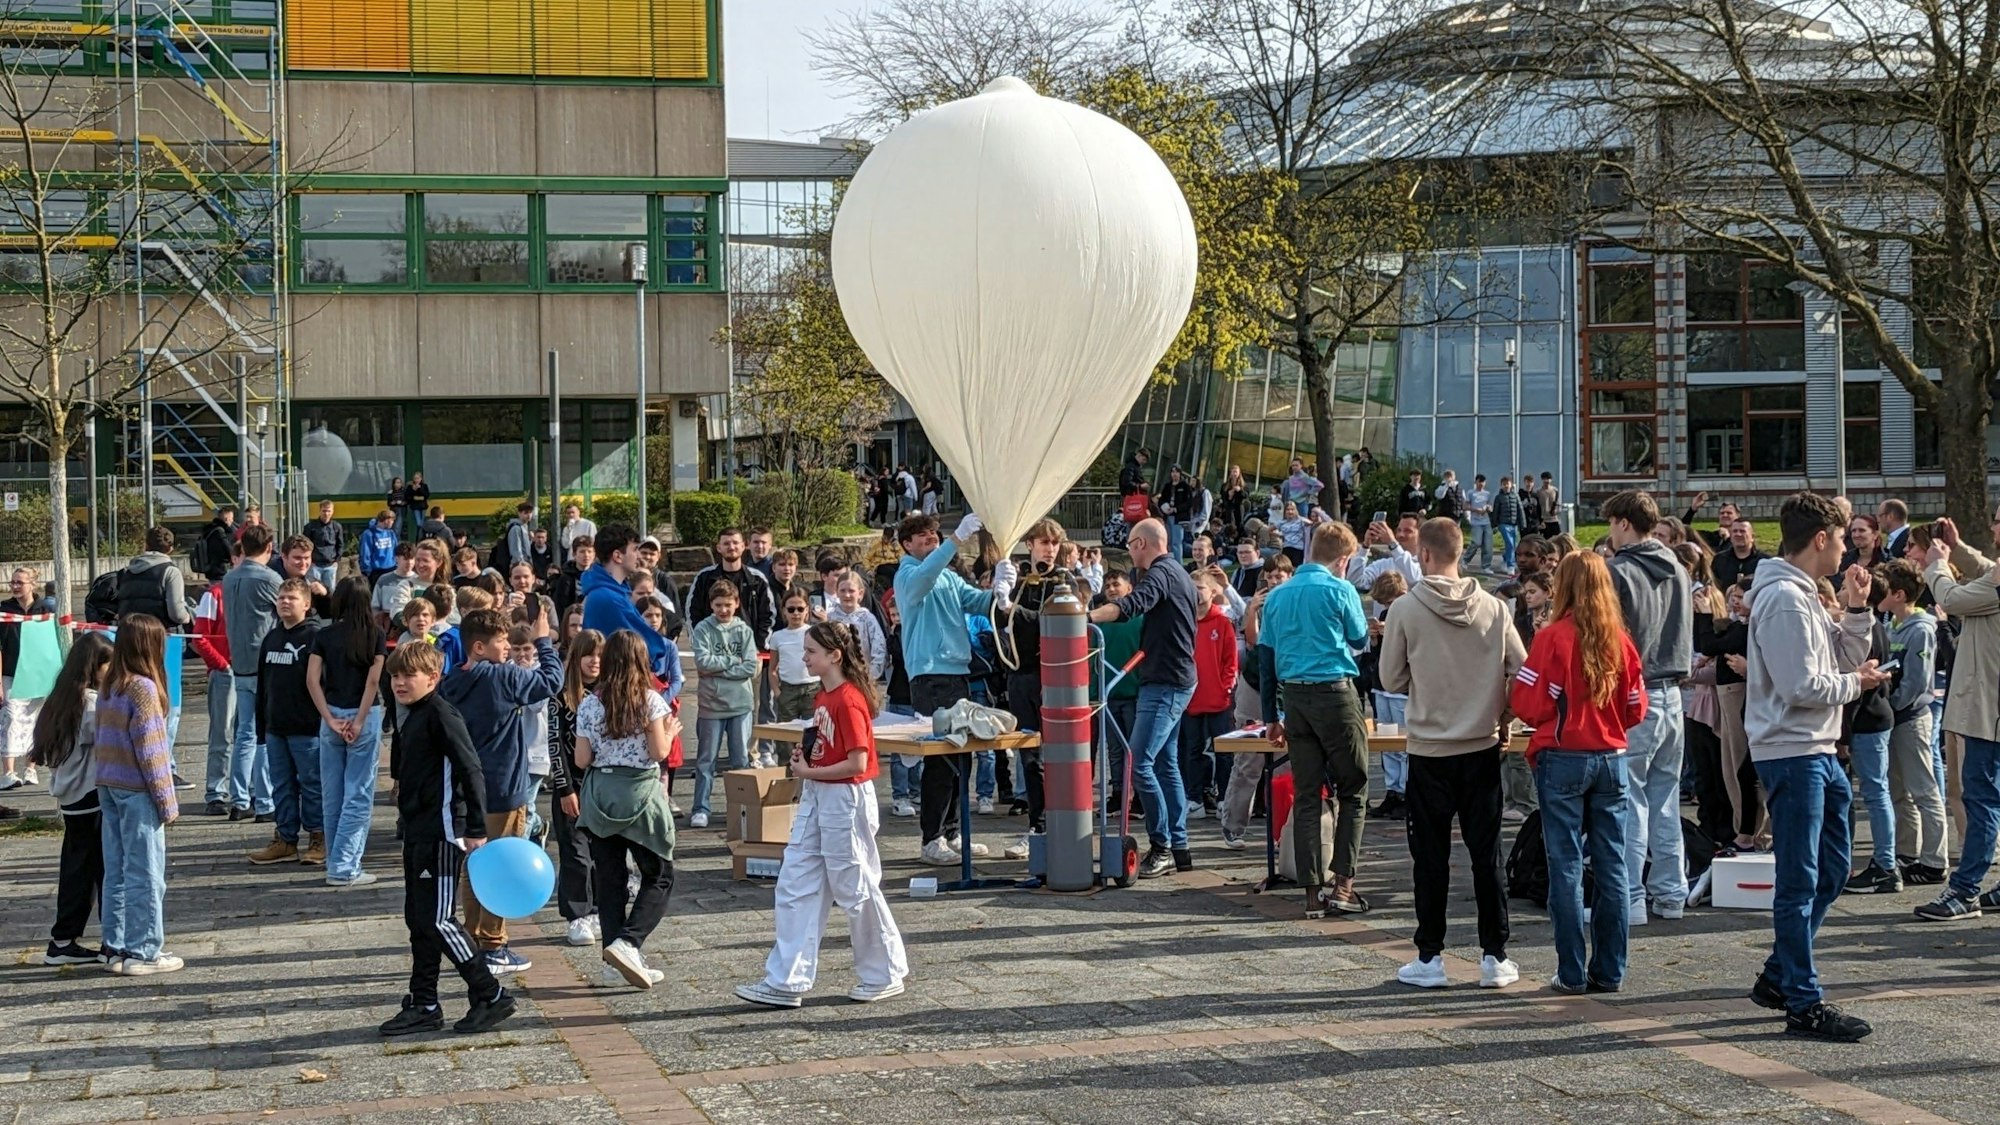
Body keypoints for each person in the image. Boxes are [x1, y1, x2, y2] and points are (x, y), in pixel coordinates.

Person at [1743, 492, 1885, 1042]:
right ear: (1820, 539)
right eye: (1843, 537)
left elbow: (1841, 659)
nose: (1848, 546)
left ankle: (1780, 976)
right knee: (1800, 878)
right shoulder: (1783, 597)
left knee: (1830, 870)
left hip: (1817, 749)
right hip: (1793, 750)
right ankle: (1802, 1000)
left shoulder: (1799, 594)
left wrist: (1855, 609)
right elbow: (1802, 686)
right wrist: (1858, 684)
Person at [1378, 518, 1526, 989]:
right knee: (1487, 854)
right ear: (1461, 551)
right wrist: (1500, 711)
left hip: (1429, 746)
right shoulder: (1495, 607)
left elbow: (1390, 679)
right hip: (1481, 744)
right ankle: (1494, 955)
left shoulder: (1405, 608)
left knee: (1430, 856)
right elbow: (1521, 669)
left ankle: (1429, 956)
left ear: (1422, 554)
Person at [738, 621, 909, 1008]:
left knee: (855, 886)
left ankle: (883, 972)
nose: (804, 658)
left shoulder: (848, 700)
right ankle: (787, 980)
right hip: (821, 795)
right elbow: (831, 749)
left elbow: (857, 762)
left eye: (811, 651)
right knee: (796, 881)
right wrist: (808, 759)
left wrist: (809, 771)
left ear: (834, 656)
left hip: (843, 799)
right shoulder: (824, 698)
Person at [1509, 552, 1645, 995]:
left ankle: (1570, 972)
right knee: (1613, 867)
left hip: (1564, 754)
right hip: (1612, 756)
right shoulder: (1620, 640)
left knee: (1565, 866)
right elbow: (1635, 708)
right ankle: (1610, 970)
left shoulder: (1552, 638)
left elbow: (1528, 702)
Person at [376, 641, 516, 1037]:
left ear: (433, 678)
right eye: (395, 676)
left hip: (441, 832)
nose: (400, 683)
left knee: (438, 920)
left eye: (409, 676)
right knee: (418, 921)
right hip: (417, 829)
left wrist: (474, 827)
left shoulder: (440, 713)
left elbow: (471, 768)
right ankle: (423, 1002)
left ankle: (490, 993)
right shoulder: (409, 713)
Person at [438, 605, 562, 977]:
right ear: (479, 647)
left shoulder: (451, 683)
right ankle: (493, 944)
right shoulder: (504, 677)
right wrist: (543, 640)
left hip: (464, 791)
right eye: (501, 641)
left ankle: (475, 939)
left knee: (473, 867)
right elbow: (551, 681)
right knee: (502, 868)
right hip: (505, 787)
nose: (507, 647)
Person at [1089, 518, 1203, 880]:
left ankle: (1162, 845)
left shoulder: (1160, 574)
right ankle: (1178, 846)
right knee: (1165, 764)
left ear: (1140, 544)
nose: (1129, 553)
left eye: (1129, 546)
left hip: (1165, 683)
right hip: (1173, 679)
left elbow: (1131, 605)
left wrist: (1084, 617)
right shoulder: (1179, 573)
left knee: (1140, 763)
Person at [1600, 490, 1693, 924]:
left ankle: (1631, 898)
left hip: (1636, 692)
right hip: (1674, 691)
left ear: (1623, 523)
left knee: (1631, 798)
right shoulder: (1677, 566)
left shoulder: (1618, 572)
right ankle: (1672, 894)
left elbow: (1608, 639)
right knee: (1665, 797)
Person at [573, 630, 680, 990]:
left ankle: (611, 963)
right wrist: (670, 730)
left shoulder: (590, 703)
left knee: (610, 879)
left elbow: (582, 758)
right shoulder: (651, 701)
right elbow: (658, 753)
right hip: (640, 793)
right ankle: (629, 943)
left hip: (602, 793)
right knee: (659, 874)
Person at [895, 512, 999, 865]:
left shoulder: (949, 577)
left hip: (956, 672)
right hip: (929, 675)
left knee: (960, 757)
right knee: (941, 759)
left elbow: (976, 602)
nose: (932, 539)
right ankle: (932, 836)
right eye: (922, 536)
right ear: (907, 544)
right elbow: (922, 581)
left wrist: (1000, 590)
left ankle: (952, 830)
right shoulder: (907, 574)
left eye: (933, 535)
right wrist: (955, 540)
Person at [1916, 510, 2000, 920]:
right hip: (1987, 707)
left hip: (1990, 712)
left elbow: (1951, 600)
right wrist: (1958, 547)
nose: (1994, 526)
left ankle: (1964, 891)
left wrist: (1936, 564)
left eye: (1999, 521)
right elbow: (1985, 570)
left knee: (1981, 798)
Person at [94, 614, 182, 975]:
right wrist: (167, 801)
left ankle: (115, 946)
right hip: (137, 788)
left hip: (108, 784)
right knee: (147, 872)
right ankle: (144, 950)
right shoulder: (143, 688)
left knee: (116, 869)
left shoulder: (110, 684)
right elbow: (152, 752)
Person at [30, 633, 113, 965]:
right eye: (110, 665)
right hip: (91, 793)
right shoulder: (90, 703)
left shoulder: (61, 698)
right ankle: (109, 939)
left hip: (70, 795)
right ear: (95, 666)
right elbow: (111, 736)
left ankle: (63, 938)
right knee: (102, 869)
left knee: (77, 866)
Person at [308, 577, 387, 886]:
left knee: (333, 794)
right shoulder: (376, 636)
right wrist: (359, 719)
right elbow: (372, 682)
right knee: (359, 792)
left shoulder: (324, 635)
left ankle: (334, 861)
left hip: (332, 715)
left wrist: (328, 717)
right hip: (364, 717)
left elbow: (313, 680)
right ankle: (344, 866)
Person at [247, 579, 327, 868]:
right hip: (275, 728)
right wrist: (261, 727)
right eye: (281, 597)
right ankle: (285, 839)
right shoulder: (271, 638)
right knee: (281, 786)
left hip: (308, 728)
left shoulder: (316, 637)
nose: (284, 602)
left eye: (291, 598)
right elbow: (264, 686)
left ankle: (319, 837)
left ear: (306, 604)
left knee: (312, 785)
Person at [222, 525, 283, 823]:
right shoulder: (270, 579)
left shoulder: (229, 577)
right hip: (266, 664)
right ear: (269, 548)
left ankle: (239, 798)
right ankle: (265, 800)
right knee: (265, 734)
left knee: (245, 733)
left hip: (240, 662)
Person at [549, 630, 603, 947]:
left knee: (601, 853)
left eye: (599, 655)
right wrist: (564, 788)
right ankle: (576, 914)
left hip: (604, 786)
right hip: (573, 786)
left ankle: (597, 907)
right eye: (588, 655)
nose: (595, 662)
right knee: (575, 853)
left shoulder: (610, 694)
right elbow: (555, 744)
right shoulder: (562, 696)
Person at [690, 581, 759, 829]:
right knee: (706, 759)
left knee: (740, 759)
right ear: (711, 605)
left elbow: (750, 666)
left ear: (736, 604)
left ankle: (740, 807)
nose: (723, 610)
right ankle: (700, 807)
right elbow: (702, 662)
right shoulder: (702, 629)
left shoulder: (744, 631)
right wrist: (732, 661)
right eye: (718, 605)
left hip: (740, 704)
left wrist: (720, 670)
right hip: (711, 704)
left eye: (728, 605)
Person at [579, 526, 676, 684]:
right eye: (635, 549)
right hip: (619, 688)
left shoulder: (611, 592)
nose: (638, 555)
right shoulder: (610, 598)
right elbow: (649, 647)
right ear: (617, 556)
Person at [0, 566, 54, 790]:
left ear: (33, 584)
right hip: (11, 673)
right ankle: (8, 772)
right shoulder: (4, 609)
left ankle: (30, 768)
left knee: (35, 720)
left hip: (37, 674)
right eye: (12, 582)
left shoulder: (45, 609)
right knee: (11, 718)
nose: (14, 586)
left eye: (20, 582)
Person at [113, 527, 191, 632]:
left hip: (129, 632)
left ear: (146, 545)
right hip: (160, 633)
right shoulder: (171, 572)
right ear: (170, 548)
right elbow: (177, 614)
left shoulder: (126, 572)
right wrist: (188, 617)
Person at [769, 593, 821, 722]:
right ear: (784, 611)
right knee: (786, 734)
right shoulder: (777, 636)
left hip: (812, 688)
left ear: (807, 610)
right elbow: (772, 669)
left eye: (800, 609)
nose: (796, 613)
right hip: (788, 690)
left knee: (812, 733)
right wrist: (777, 693)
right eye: (791, 609)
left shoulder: (815, 632)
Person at [1352, 513, 1424, 590]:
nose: (1401, 535)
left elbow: (1414, 579)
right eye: (1399, 530)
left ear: (1421, 535)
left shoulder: (1425, 565)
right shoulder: (1384, 564)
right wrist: (1365, 547)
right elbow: (1357, 582)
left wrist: (1392, 543)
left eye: (1408, 531)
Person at [1713, 518, 1769, 592]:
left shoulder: (1765, 562)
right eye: (1735, 531)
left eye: (1742, 531)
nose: (1738, 534)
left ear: (1752, 537)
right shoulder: (1719, 560)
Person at [303, 501, 345, 590]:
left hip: (330, 565)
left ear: (332, 511)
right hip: (314, 565)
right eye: (324, 511)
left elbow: (340, 544)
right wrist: (309, 561)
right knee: (313, 591)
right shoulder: (310, 527)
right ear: (320, 511)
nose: (326, 513)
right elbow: (305, 545)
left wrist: (336, 561)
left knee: (330, 592)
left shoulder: (337, 527)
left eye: (329, 511)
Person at [196, 505, 237, 583]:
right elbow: (229, 551)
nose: (232, 521)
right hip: (221, 571)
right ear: (226, 519)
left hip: (210, 570)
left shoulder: (210, 530)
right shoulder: (221, 533)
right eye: (231, 518)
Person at [1463, 474, 1493, 573]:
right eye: (1479, 482)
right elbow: (1466, 506)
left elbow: (1491, 507)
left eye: (1483, 482)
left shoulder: (1487, 494)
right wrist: (1476, 509)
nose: (1481, 484)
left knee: (1487, 545)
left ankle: (1486, 566)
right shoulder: (1471, 493)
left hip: (1486, 521)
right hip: (1476, 522)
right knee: (1476, 542)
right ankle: (1465, 560)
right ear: (1476, 482)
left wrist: (1488, 508)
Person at [1493, 476, 1523, 574]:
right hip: (1503, 524)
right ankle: (1511, 566)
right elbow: (1496, 511)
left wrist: (1522, 523)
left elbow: (1520, 510)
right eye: (1504, 484)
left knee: (1514, 545)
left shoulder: (1516, 496)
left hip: (1514, 524)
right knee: (1510, 544)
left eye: (1508, 483)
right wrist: (1494, 524)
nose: (1506, 486)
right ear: (1501, 485)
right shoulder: (1498, 497)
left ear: (1511, 485)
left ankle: (1505, 559)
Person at [359, 510, 398, 585]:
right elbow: (365, 553)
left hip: (391, 568)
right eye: (392, 520)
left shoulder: (391, 533)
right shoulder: (369, 534)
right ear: (386, 520)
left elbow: (396, 550)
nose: (393, 522)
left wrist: (396, 564)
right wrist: (367, 571)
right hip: (376, 571)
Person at [1536, 472, 1561, 539]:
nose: (1546, 481)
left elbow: (1558, 504)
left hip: (1554, 520)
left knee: (1556, 539)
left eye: (1548, 479)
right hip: (1544, 520)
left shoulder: (1555, 490)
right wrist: (1539, 521)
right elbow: (1537, 507)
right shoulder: (1538, 492)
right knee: (1545, 541)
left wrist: (1556, 511)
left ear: (1551, 480)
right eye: (1544, 479)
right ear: (1542, 480)